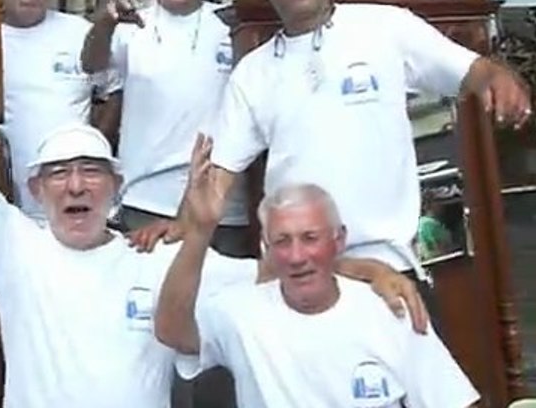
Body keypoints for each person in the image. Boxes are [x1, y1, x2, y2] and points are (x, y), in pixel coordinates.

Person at [0, 0, 417, 408]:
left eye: (92, 171)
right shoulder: (14, 246)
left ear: (117, 186)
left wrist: (370, 270)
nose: (76, 185)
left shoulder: (155, 258)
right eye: (60, 172)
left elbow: (277, 272)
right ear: (37, 186)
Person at [205, 0, 531, 309]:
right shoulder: (251, 73)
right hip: (301, 276)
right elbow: (216, 179)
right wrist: (180, 229)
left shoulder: (386, 27)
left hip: (392, 272)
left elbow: (474, 70)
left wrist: (498, 80)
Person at [154, 166, 479, 408]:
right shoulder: (238, 312)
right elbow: (171, 330)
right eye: (282, 241)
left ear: (339, 240)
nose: (296, 256)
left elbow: (453, 401)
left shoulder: (390, 311)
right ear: (266, 247)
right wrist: (199, 231)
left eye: (310, 238)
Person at [80, 0, 249, 255]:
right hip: (146, 199)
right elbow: (91, 64)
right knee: (151, 304)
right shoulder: (130, 26)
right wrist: (105, 23)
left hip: (221, 204)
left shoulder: (234, 26)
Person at [0, 0, 120, 220]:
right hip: (7, 206)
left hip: (76, 202)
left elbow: (114, 93)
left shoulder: (80, 33)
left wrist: (92, 148)